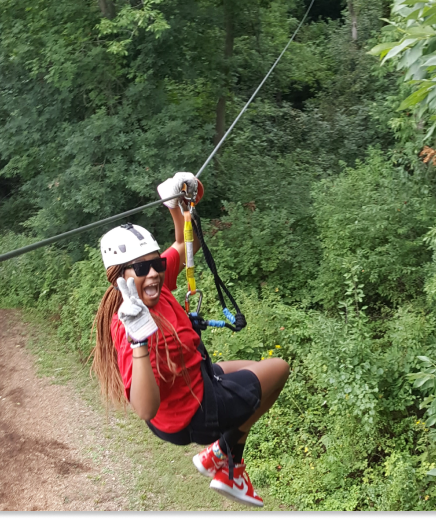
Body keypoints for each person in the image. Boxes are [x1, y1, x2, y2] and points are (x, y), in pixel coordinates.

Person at [91, 172, 290, 507]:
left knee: (254, 368)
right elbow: (143, 408)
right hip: (192, 417)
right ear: (118, 279)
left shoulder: (155, 285)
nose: (153, 272)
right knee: (279, 369)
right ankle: (224, 456)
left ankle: (226, 462)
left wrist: (177, 205)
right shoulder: (130, 326)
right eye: (141, 269)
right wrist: (139, 343)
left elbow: (187, 247)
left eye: (154, 263)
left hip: (195, 382)